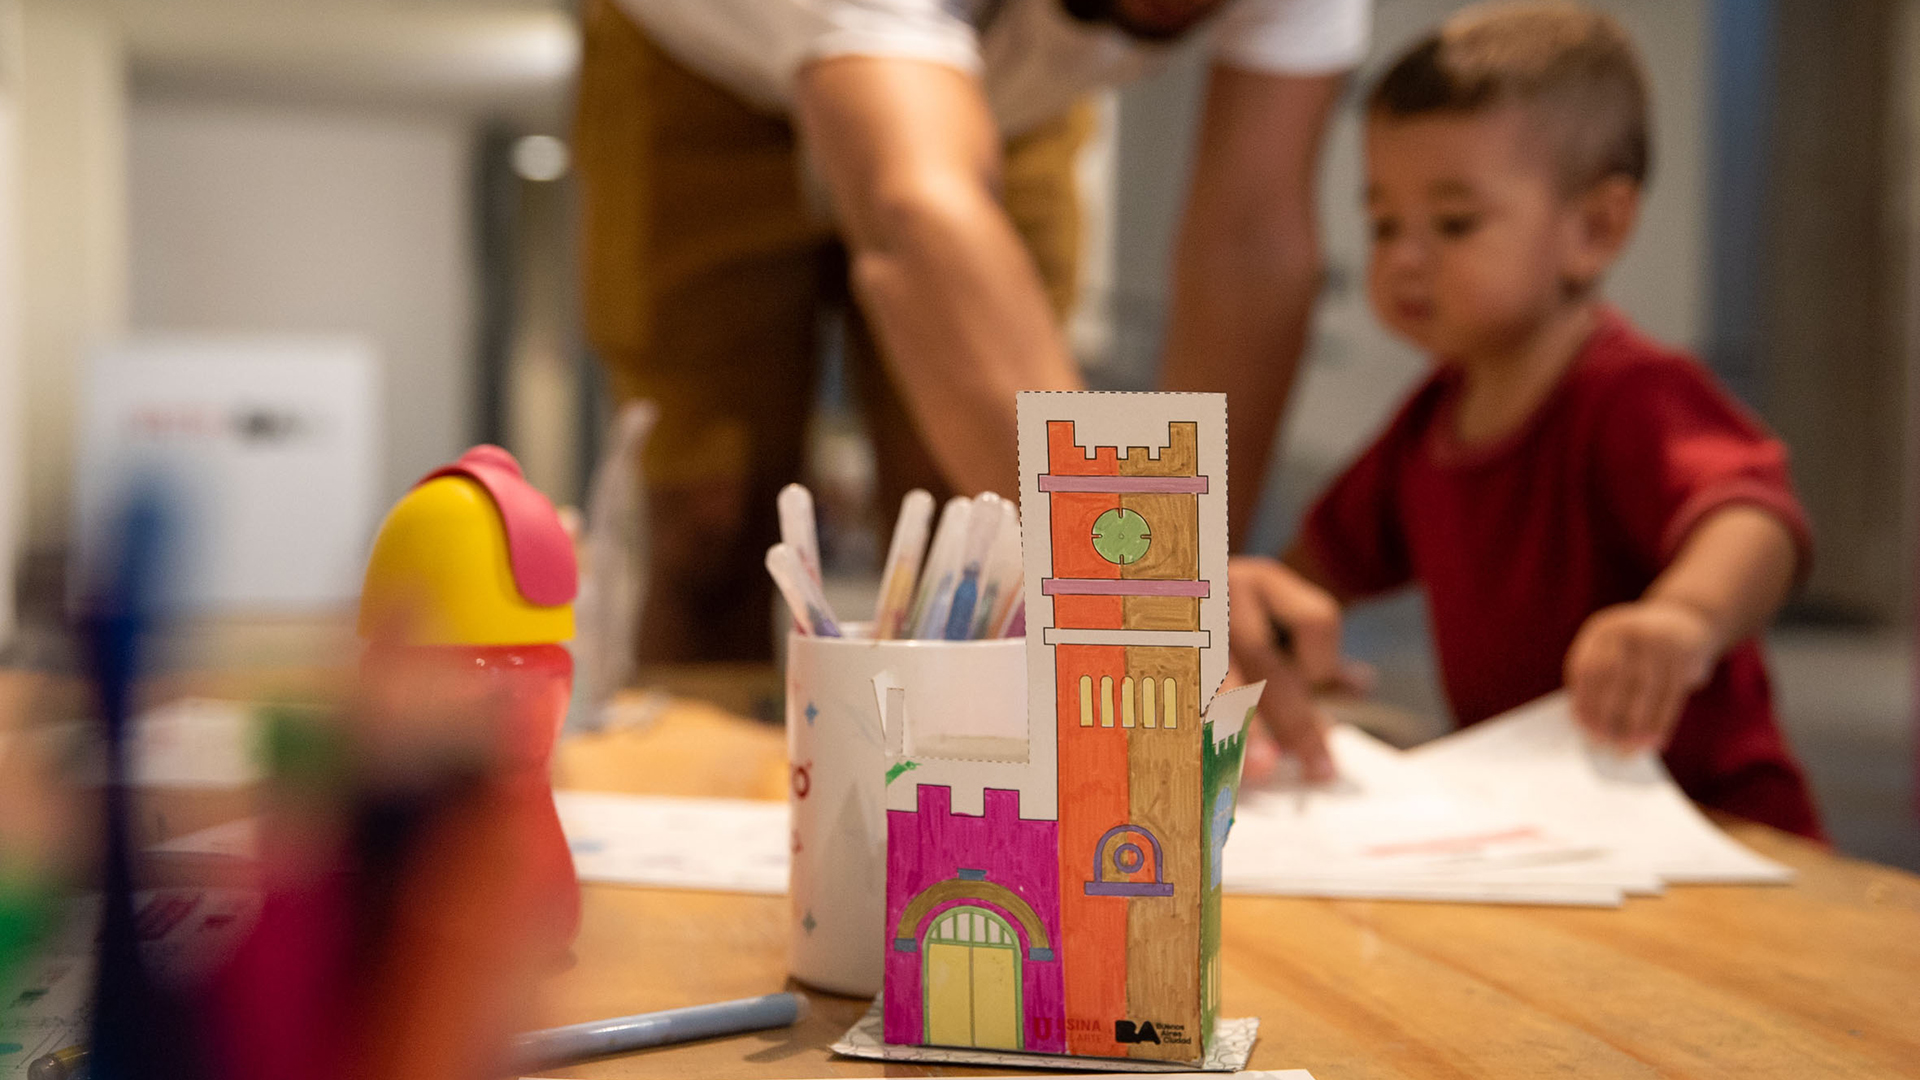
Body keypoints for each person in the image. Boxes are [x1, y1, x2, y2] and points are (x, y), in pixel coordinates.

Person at [573, 0, 1368, 660]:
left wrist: (1194, 583)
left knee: (976, 533)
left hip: (1003, 95)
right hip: (701, 63)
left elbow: (1252, 241)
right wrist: (1140, 595)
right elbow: (916, 219)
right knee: (713, 524)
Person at [1229, 0, 1823, 838]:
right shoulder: (1431, 420)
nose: (1403, 255)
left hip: (1713, 820)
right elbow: (1314, 573)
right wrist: (1272, 633)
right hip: (1551, 822)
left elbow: (1754, 514)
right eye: (1383, 223)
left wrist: (1685, 618)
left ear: (1595, 227)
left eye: (1454, 223)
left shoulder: (1630, 393)